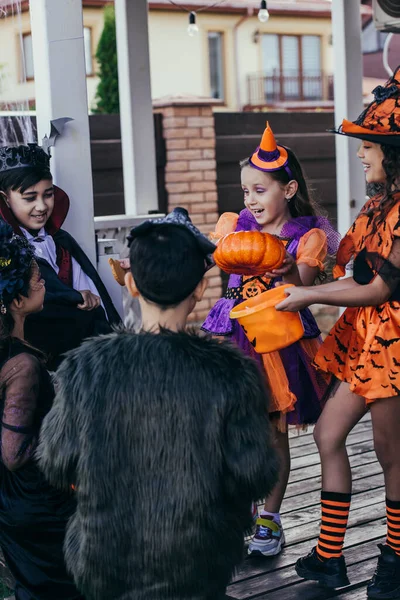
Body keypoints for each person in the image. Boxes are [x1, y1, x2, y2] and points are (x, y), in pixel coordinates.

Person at [36, 207, 279, 600]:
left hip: (106, 558)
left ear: (131, 284)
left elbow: (56, 461)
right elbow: (255, 474)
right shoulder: (230, 373)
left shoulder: (84, 368)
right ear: (200, 290)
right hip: (199, 561)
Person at [276, 67, 400, 599]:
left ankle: (396, 559)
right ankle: (330, 557)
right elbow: (342, 270)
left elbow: (380, 288)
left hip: (394, 344)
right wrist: (290, 264)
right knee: (328, 435)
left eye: (368, 146)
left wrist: (309, 296)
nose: (359, 153)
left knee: (391, 452)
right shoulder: (376, 206)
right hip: (366, 342)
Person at [202, 123, 340, 557]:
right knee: (230, 428)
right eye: (245, 192)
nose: (250, 200)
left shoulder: (307, 236)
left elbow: (305, 281)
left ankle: (270, 518)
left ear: (289, 188)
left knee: (273, 432)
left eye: (259, 190)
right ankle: (236, 510)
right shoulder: (233, 227)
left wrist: (286, 271)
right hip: (232, 340)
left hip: (279, 346)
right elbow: (209, 256)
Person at [0, 220, 84, 600]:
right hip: (35, 505)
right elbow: (14, 453)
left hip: (14, 501)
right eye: (36, 282)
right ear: (16, 303)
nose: (44, 283)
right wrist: (66, 425)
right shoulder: (23, 368)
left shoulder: (14, 356)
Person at [0, 143, 121, 370]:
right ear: (5, 199)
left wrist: (87, 299)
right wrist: (73, 297)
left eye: (48, 195)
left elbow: (93, 295)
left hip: (84, 356)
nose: (42, 206)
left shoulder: (61, 241)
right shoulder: (6, 249)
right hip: (34, 358)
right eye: (29, 198)